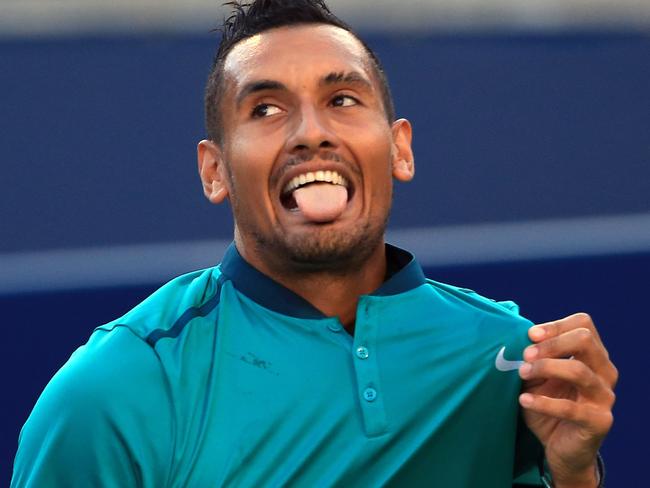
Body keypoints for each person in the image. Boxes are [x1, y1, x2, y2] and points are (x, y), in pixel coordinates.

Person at [12, 1, 617, 486]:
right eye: (267, 108)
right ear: (214, 171)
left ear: (399, 147)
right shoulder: (116, 390)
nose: (311, 133)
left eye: (342, 100)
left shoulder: (511, 360)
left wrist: (573, 474)